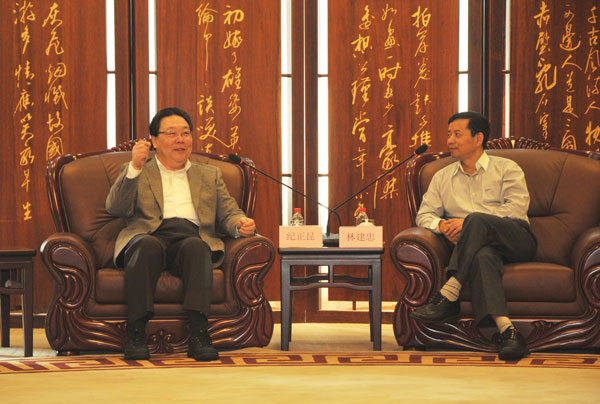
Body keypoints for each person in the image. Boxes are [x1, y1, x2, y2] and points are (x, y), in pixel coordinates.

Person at [106, 107, 256, 361]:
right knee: (145, 246)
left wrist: (239, 223)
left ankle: (199, 334)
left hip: (190, 238)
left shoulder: (209, 174)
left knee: (197, 248)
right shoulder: (137, 170)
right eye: (172, 133)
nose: (180, 140)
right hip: (150, 235)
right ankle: (136, 332)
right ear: (154, 141)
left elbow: (229, 212)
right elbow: (115, 208)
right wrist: (134, 167)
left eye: (185, 133)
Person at [409, 111, 537, 361]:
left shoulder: (506, 168)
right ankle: (508, 332)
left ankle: (449, 292)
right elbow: (423, 216)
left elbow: (516, 208)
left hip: (516, 239)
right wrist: (442, 225)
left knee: (475, 219)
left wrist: (468, 223)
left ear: (478, 138)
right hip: (476, 249)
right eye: (449, 134)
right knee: (482, 256)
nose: (450, 140)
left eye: (457, 134)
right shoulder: (442, 177)